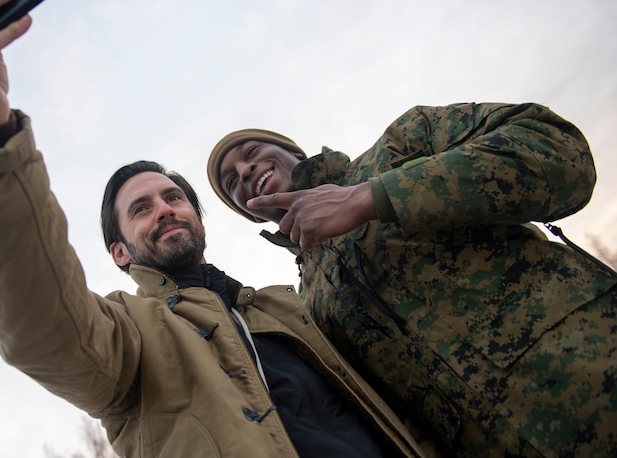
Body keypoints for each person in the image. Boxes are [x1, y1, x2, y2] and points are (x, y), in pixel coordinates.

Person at [0, 0, 433, 457]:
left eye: (173, 197)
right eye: (141, 208)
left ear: (200, 219)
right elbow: (39, 327)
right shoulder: (127, 336)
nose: (165, 209)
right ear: (119, 251)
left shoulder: (290, 307)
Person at [206, 105, 617, 458]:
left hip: (598, 369)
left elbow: (557, 148)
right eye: (230, 182)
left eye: (252, 152)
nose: (244, 171)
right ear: (248, 213)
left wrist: (372, 196)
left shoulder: (401, 144)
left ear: (291, 150)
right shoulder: (312, 306)